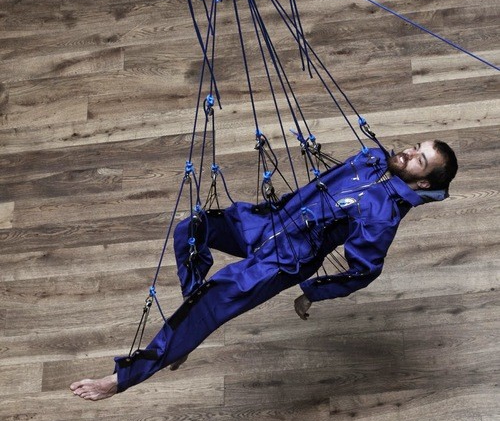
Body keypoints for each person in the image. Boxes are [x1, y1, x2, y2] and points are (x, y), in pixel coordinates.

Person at [70, 139, 458, 400]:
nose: (408, 152)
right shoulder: (372, 158)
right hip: (264, 222)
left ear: (422, 181)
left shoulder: (382, 216)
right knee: (193, 228)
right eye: (416, 146)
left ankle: (121, 379)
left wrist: (312, 291)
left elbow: (365, 270)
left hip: (284, 260)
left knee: (212, 298)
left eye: (418, 159)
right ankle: (189, 325)